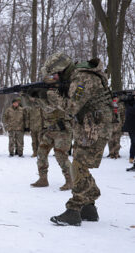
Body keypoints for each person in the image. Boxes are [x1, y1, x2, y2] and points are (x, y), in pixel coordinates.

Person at [43, 53, 112, 226]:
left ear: (63, 69)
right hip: (90, 126)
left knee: (78, 166)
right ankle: (89, 206)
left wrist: (53, 95)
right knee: (80, 165)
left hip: (95, 128)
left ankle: (74, 210)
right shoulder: (78, 77)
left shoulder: (83, 78)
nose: (55, 78)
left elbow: (72, 107)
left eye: (56, 74)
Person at [26, 90, 72, 191]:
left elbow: (50, 108)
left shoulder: (60, 96)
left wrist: (38, 99)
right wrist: (26, 94)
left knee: (60, 155)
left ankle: (70, 180)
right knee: (41, 152)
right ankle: (43, 179)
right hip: (50, 130)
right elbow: (29, 106)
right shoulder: (44, 97)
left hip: (62, 130)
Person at [122, 95, 135, 166]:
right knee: (133, 142)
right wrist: (127, 101)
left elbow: (132, 110)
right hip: (131, 126)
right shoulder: (131, 101)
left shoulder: (130, 105)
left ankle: (132, 157)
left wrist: (127, 104)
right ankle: (131, 157)